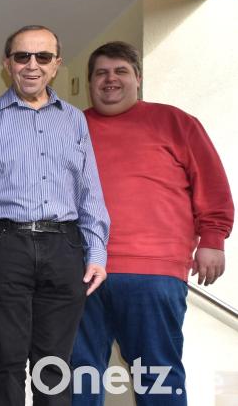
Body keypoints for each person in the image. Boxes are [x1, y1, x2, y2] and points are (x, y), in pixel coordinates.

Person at [0, 25, 110, 406]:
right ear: (8, 64)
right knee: (6, 360)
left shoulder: (74, 120)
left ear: (56, 65)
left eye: (42, 57)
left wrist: (97, 252)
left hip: (64, 247)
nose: (32, 65)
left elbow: (89, 190)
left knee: (55, 363)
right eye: (22, 56)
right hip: (2, 247)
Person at [71, 41, 234, 406]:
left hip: (153, 272)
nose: (110, 79)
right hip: (80, 270)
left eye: (120, 71)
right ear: (90, 81)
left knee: (157, 374)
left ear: (138, 79)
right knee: (78, 374)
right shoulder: (71, 126)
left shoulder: (175, 122)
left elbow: (213, 184)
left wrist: (213, 238)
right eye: (101, 73)